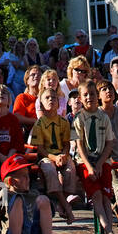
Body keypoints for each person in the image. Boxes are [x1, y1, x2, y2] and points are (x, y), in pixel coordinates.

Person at [31, 83, 79, 223]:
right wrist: (54, 157)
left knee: (70, 170)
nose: (51, 100)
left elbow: (67, 143)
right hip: (46, 156)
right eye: (47, 98)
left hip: (62, 154)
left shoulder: (64, 122)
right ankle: (66, 208)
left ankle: (61, 204)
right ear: (41, 104)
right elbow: (40, 148)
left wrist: (64, 155)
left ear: (59, 103)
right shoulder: (39, 124)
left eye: (54, 97)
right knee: (50, 170)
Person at [0, 153, 54, 234]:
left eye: (27, 175)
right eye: (23, 176)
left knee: (44, 199)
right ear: (11, 181)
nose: (27, 179)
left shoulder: (33, 194)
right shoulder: (4, 195)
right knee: (18, 199)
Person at [12, 63, 43, 132]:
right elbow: (17, 117)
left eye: (39, 75)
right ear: (27, 80)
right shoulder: (22, 97)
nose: (36, 76)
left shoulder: (47, 97)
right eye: (33, 75)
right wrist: (36, 121)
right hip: (29, 134)